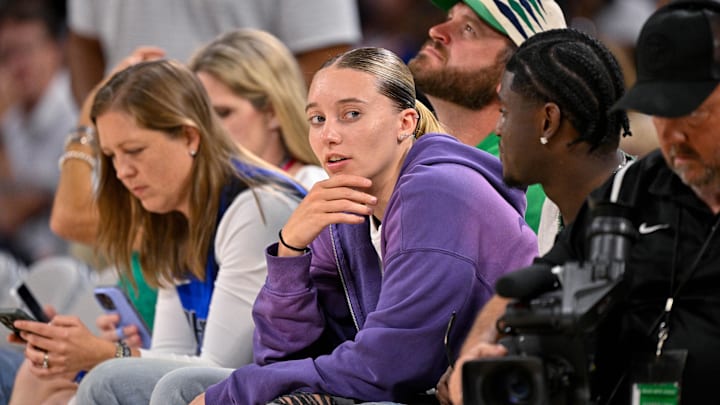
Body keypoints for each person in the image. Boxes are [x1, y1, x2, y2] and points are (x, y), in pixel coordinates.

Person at [75, 46, 539, 405]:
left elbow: (392, 364)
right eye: (317, 119)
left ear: (406, 122)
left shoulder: (439, 191)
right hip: (398, 389)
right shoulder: (342, 207)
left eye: (351, 114)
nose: (329, 134)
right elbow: (281, 356)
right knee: (184, 387)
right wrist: (291, 250)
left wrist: (235, 393)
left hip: (487, 390)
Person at [440, 1, 720, 403]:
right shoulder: (634, 188)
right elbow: (527, 286)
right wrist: (476, 353)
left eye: (692, 114)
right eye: (661, 113)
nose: (673, 136)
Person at [8, 59, 304, 404]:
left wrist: (101, 355)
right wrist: (79, 355)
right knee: (45, 380)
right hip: (212, 387)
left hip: (289, 391)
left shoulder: (257, 208)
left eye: (134, 151)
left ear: (190, 136)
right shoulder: (170, 216)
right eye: (111, 156)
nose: (122, 172)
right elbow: (170, 354)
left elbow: (214, 371)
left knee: (104, 382)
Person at [408, 0, 567, 236]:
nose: (437, 31)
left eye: (469, 29)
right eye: (450, 17)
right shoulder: (415, 153)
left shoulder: (526, 185)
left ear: (517, 77)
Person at [66, 0, 362, 105]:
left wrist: (256, 131)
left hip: (243, 170)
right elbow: (83, 43)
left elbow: (326, 57)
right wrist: (100, 124)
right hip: (123, 173)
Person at [496, 28, 634, 252]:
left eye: (505, 113)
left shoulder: (648, 219)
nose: (498, 129)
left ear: (548, 122)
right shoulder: (557, 207)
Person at [188, 29, 327, 189]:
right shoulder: (205, 192)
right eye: (199, 115)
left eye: (223, 113)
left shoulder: (313, 187)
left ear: (273, 113)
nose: (207, 129)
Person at [0, 0, 77, 264]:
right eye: (7, 54)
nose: (17, 64)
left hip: (70, 260)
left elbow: (20, 209)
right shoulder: (11, 115)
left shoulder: (73, 108)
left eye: (26, 50)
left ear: (56, 49)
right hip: (23, 255)